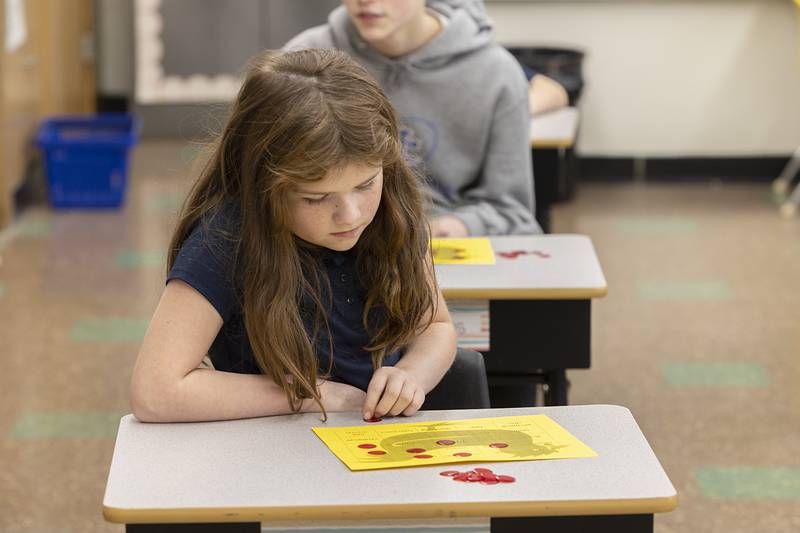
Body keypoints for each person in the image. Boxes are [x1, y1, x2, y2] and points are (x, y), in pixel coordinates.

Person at [130, 49, 489, 423]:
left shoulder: (392, 209)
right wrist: (311, 394)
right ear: (263, 186)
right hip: (270, 450)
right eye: (316, 198)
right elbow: (156, 391)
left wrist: (411, 375)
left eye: (366, 184)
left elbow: (435, 326)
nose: (350, 215)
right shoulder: (225, 241)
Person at [285, 0, 540, 237]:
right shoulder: (301, 62)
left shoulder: (497, 74)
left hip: (437, 243)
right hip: (326, 244)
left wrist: (456, 226)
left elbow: (513, 212)